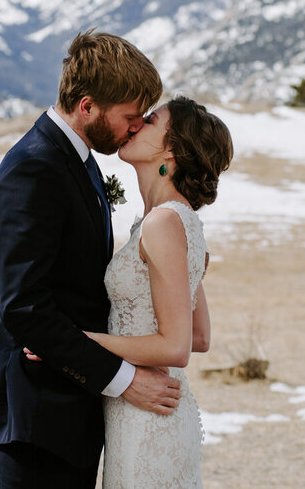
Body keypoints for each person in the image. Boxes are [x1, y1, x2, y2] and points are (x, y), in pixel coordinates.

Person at [0, 30, 182, 488]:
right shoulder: (33, 170)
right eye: (128, 117)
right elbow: (23, 308)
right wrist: (123, 380)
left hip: (71, 412)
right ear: (88, 106)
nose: (135, 127)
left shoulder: (80, 159)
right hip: (39, 419)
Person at [88, 96, 233, 488]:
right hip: (145, 415)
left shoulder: (164, 224)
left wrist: (81, 342)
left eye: (150, 121)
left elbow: (177, 347)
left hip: (150, 424)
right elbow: (200, 336)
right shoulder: (172, 220)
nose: (135, 125)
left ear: (172, 148)